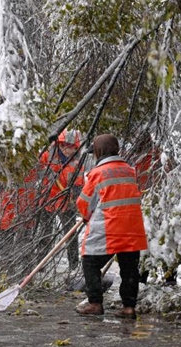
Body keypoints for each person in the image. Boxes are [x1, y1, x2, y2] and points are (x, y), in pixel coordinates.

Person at [75, 134, 148, 319]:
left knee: (90, 260)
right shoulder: (130, 171)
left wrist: (86, 216)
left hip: (109, 228)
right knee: (129, 269)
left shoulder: (97, 173)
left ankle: (95, 303)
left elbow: (84, 203)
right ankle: (129, 308)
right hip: (132, 228)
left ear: (99, 152)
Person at [39, 129, 86, 270]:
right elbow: (37, 167)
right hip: (47, 200)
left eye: (71, 147)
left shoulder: (78, 164)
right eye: (64, 145)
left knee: (70, 235)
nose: (67, 149)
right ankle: (41, 265)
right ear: (59, 143)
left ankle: (73, 265)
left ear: (76, 148)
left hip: (66, 203)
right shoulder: (48, 156)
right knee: (45, 233)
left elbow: (78, 184)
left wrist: (74, 197)